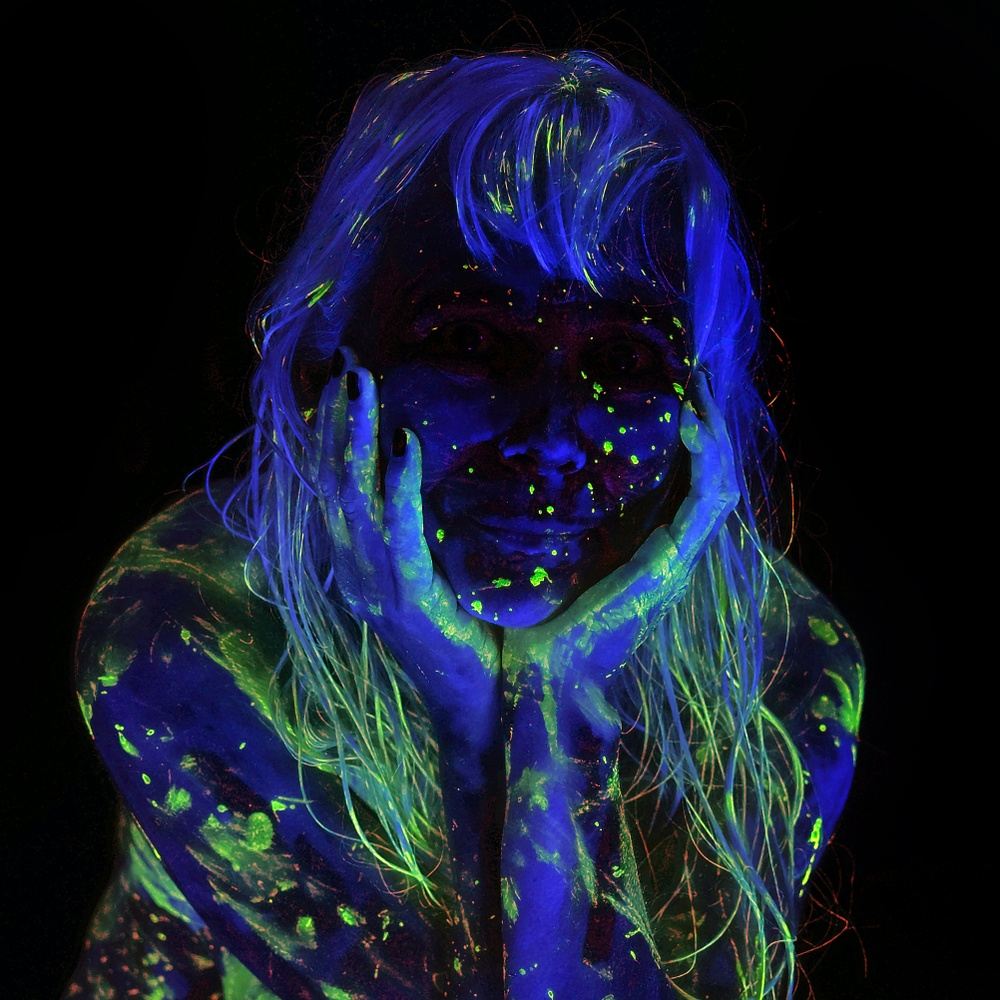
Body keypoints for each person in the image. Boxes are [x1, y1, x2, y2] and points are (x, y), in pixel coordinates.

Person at [64, 48, 865, 1000]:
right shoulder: (185, 631)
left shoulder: (780, 666)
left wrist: (564, 694)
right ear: (322, 374)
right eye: (471, 342)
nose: (553, 440)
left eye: (627, 361)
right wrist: (470, 714)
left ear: (706, 414)